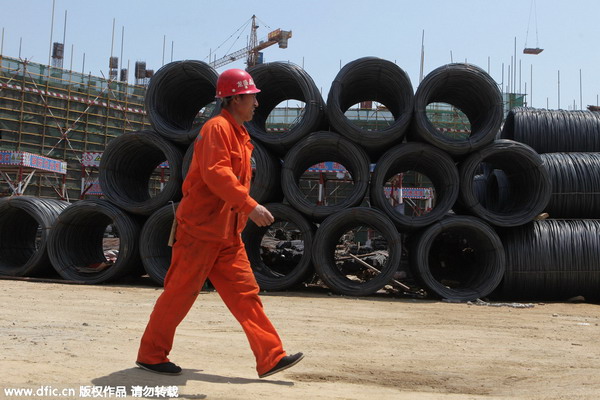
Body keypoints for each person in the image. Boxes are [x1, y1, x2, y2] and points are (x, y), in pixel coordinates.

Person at [136, 68, 304, 378]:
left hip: (227, 234)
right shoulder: (217, 129)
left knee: (245, 294)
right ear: (235, 98)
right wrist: (249, 205)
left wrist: (241, 213)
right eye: (252, 97)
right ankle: (151, 354)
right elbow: (216, 174)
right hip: (199, 231)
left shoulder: (240, 133)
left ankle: (271, 356)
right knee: (180, 293)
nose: (256, 103)